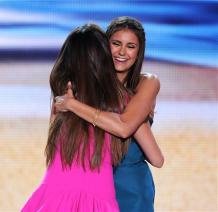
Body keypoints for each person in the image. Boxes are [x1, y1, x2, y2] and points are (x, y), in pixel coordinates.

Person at [54, 16, 164, 212]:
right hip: (92, 186)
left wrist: (73, 105)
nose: (122, 52)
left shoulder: (147, 83)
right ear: (104, 47)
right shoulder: (87, 89)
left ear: (139, 52)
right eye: (116, 44)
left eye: (131, 46)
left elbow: (124, 127)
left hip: (132, 187)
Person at [21, 23, 128, 212]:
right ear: (102, 59)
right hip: (93, 197)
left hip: (55, 196)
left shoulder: (63, 98)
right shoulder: (118, 100)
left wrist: (71, 104)